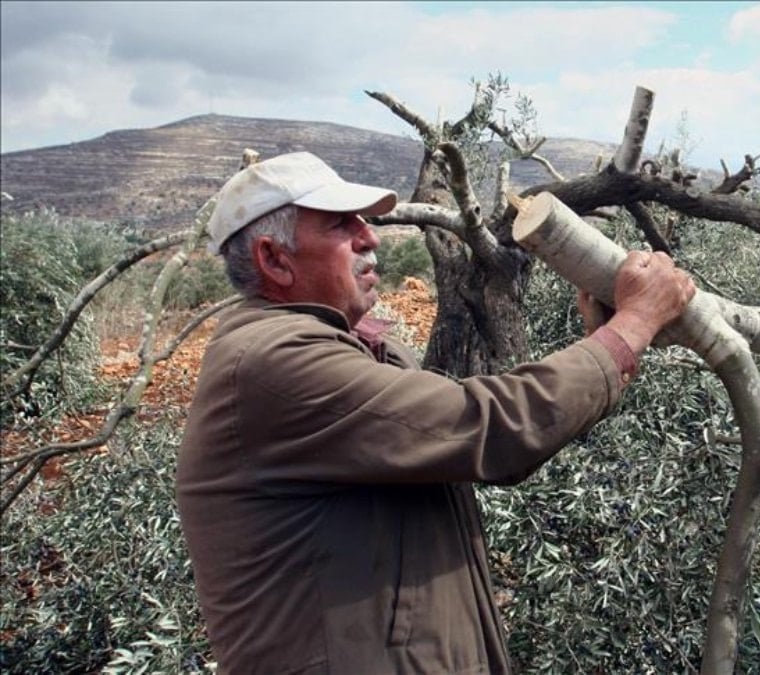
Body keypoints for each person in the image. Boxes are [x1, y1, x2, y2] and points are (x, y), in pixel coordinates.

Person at [176, 151, 695, 674]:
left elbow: (471, 438)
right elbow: (486, 426)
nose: (370, 237)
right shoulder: (274, 362)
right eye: (340, 225)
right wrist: (631, 327)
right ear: (274, 259)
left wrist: (605, 347)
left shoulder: (358, 347)